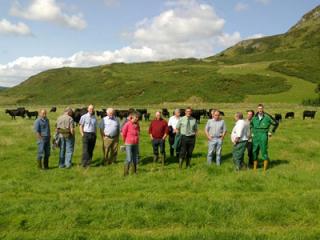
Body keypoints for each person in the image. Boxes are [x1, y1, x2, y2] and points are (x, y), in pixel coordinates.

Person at [251, 104, 279, 172]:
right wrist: (252, 132)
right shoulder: (254, 118)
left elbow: (276, 123)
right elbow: (251, 125)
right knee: (254, 151)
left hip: (263, 135)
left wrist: (271, 132)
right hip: (255, 136)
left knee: (264, 151)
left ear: (263, 109)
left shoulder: (267, 118)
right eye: (259, 108)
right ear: (257, 109)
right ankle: (254, 168)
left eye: (261, 108)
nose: (260, 110)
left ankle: (264, 170)